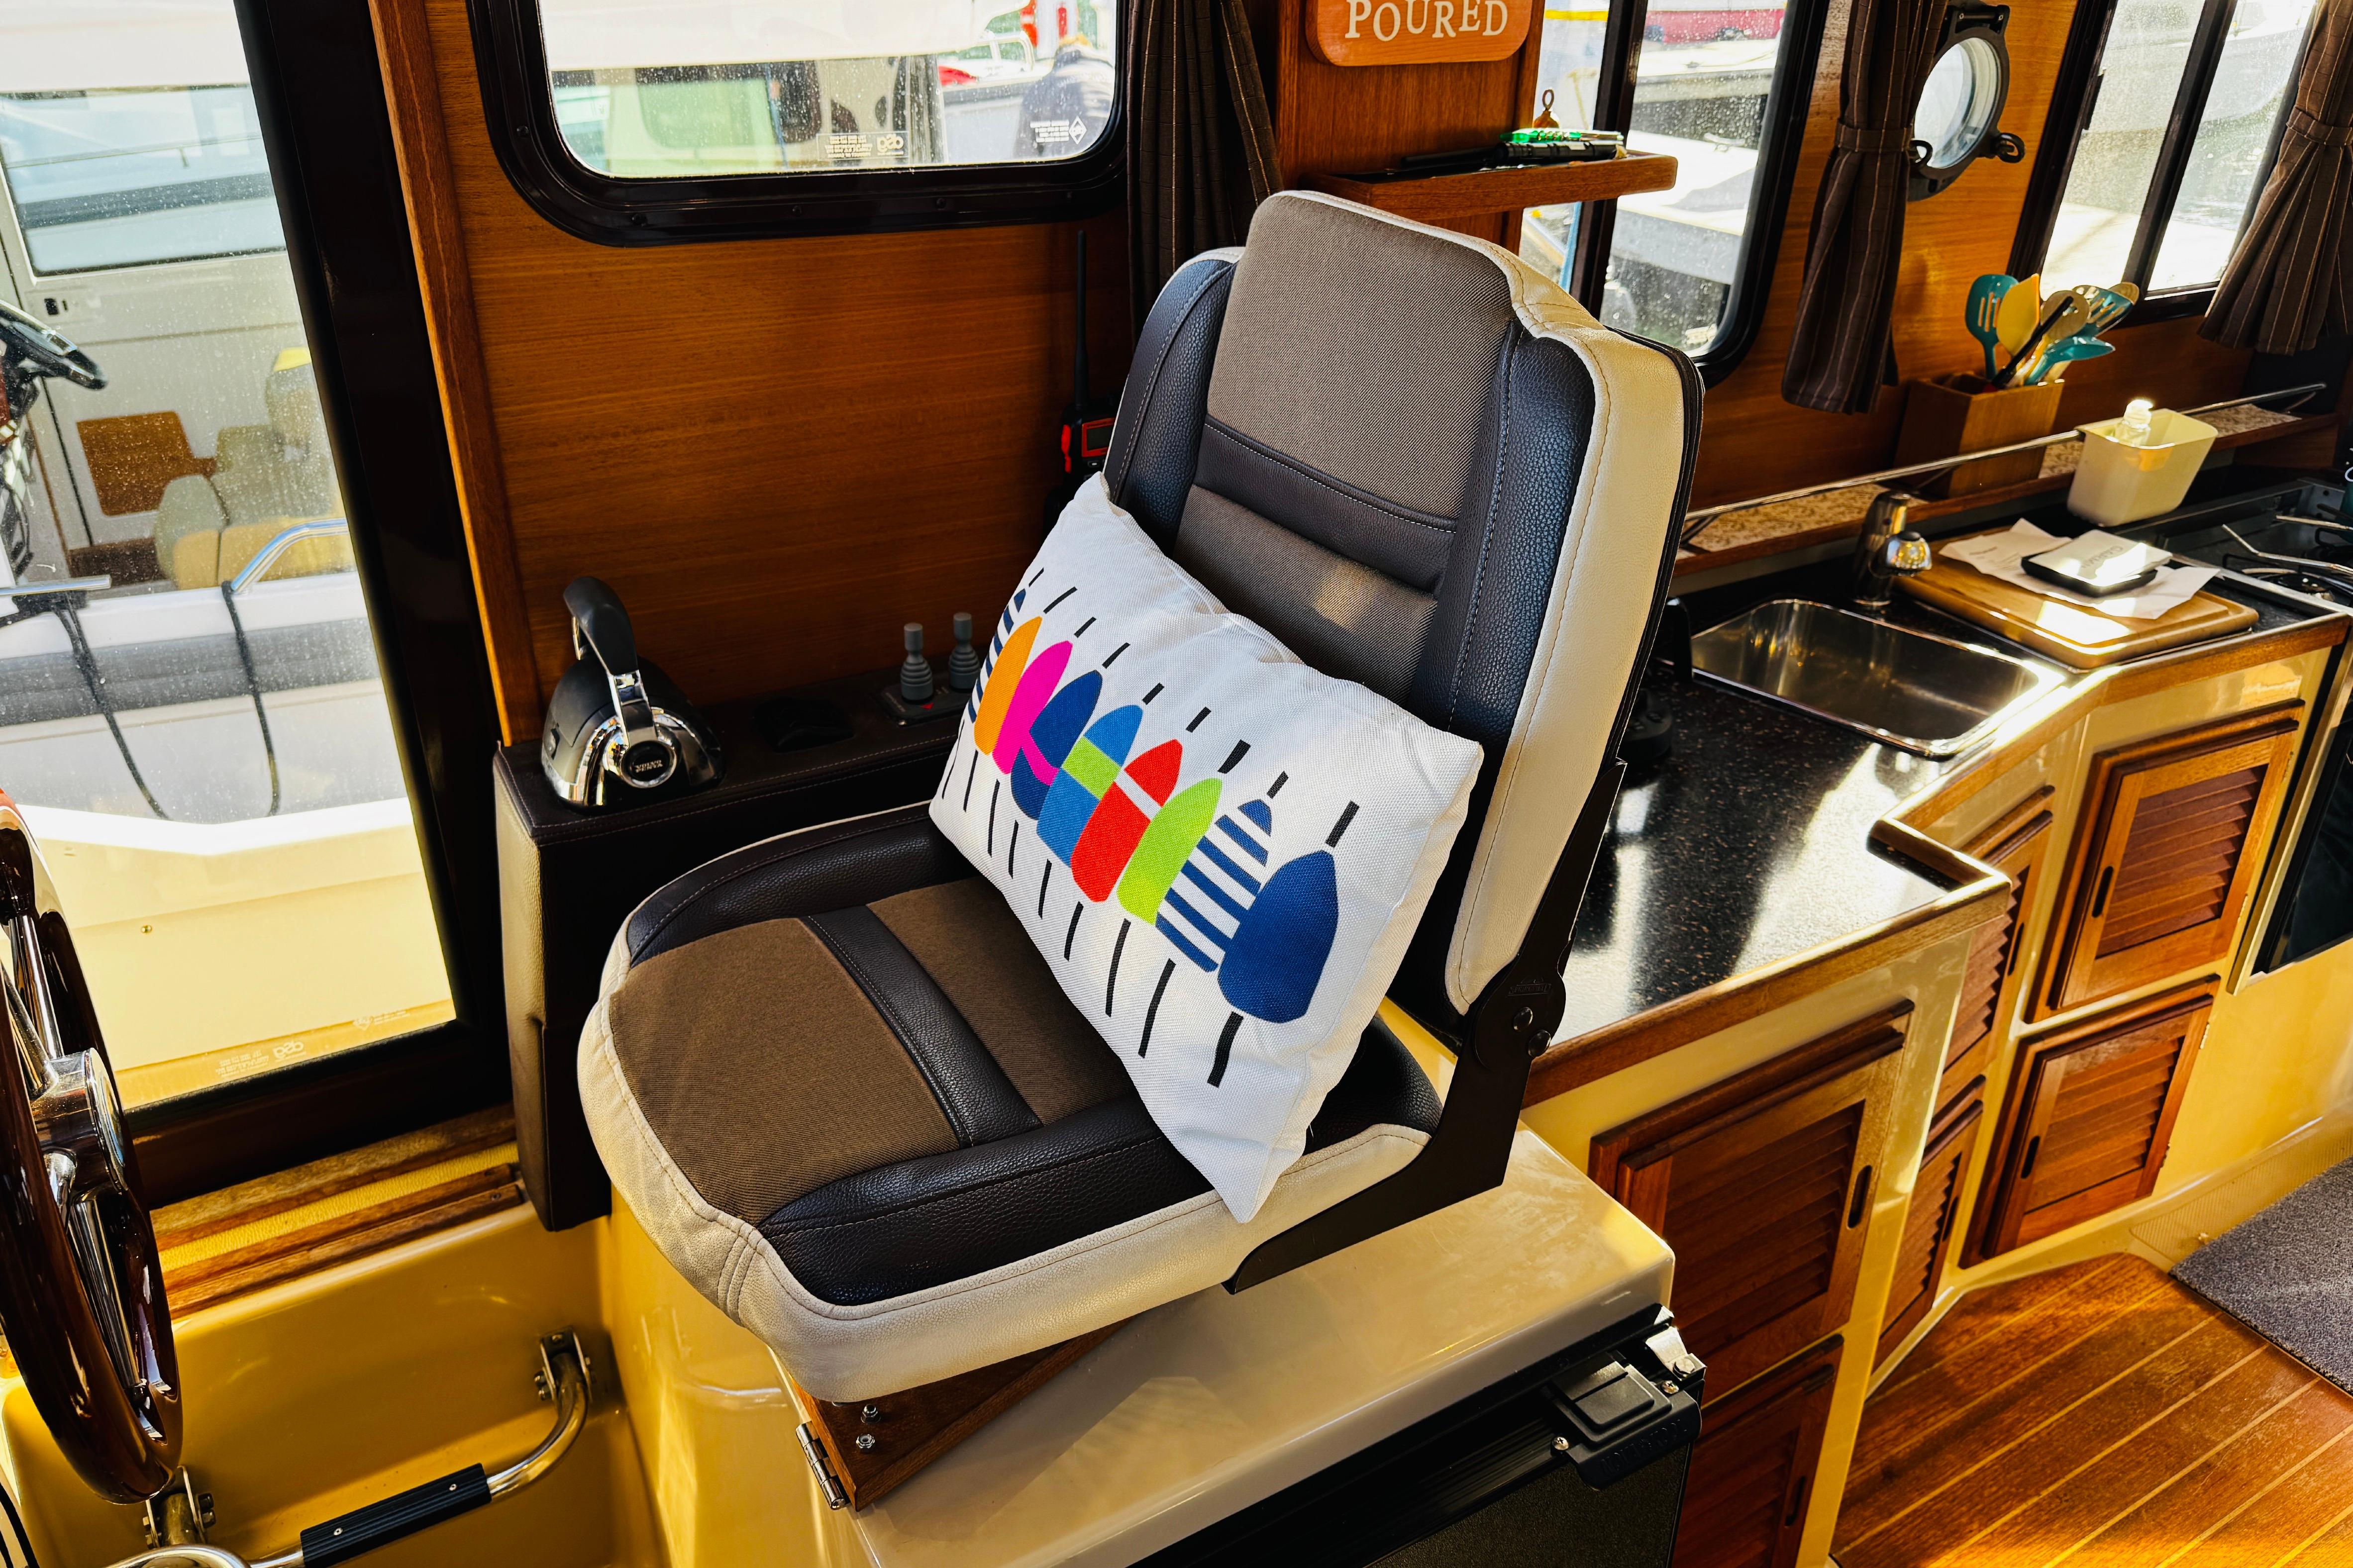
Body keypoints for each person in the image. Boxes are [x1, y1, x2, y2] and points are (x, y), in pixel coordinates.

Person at [1013, 33, 1114, 159]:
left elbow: (1024, 153)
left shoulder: (1042, 86)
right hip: (1111, 160)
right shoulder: (1113, 78)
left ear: (1059, 57)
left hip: (1064, 169)